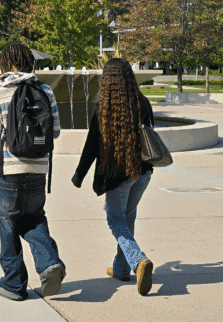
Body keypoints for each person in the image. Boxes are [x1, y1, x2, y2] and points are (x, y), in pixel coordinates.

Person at [0, 42, 65, 301]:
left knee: (8, 226)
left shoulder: (0, 90)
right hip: (39, 171)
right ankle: (49, 262)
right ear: (30, 62)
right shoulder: (45, 90)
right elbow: (56, 132)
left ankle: (13, 284)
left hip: (9, 171)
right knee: (34, 217)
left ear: (5, 63)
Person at [71, 58, 156, 296]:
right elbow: (151, 135)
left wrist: (79, 174)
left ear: (107, 80)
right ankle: (121, 268)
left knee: (115, 220)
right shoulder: (143, 103)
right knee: (128, 217)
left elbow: (91, 145)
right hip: (143, 172)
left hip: (118, 175)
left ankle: (138, 261)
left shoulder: (104, 107)